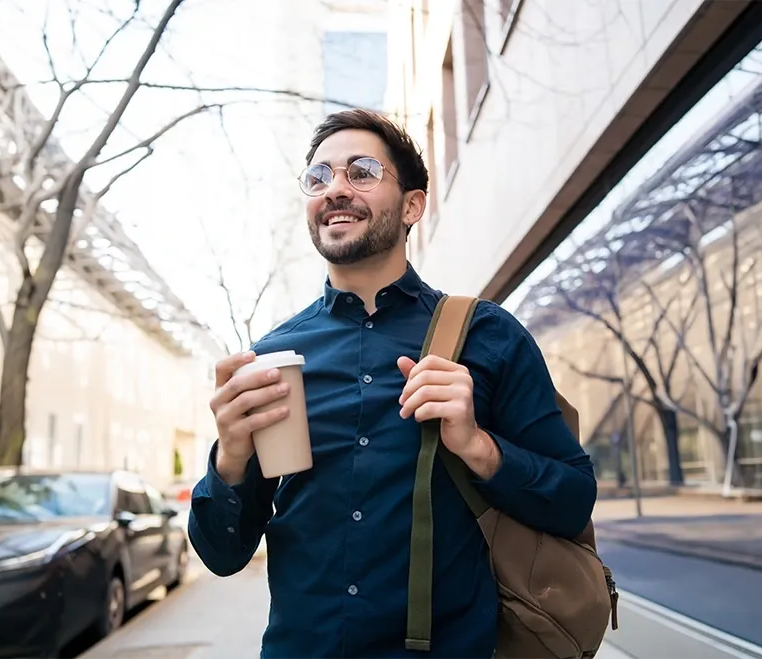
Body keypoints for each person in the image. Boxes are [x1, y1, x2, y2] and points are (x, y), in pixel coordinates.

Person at [188, 109, 597, 658]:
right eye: (319, 177)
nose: (335, 189)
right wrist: (230, 460)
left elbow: (573, 500)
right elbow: (222, 554)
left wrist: (479, 448)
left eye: (361, 172)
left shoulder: (488, 335)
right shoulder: (271, 357)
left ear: (412, 205)